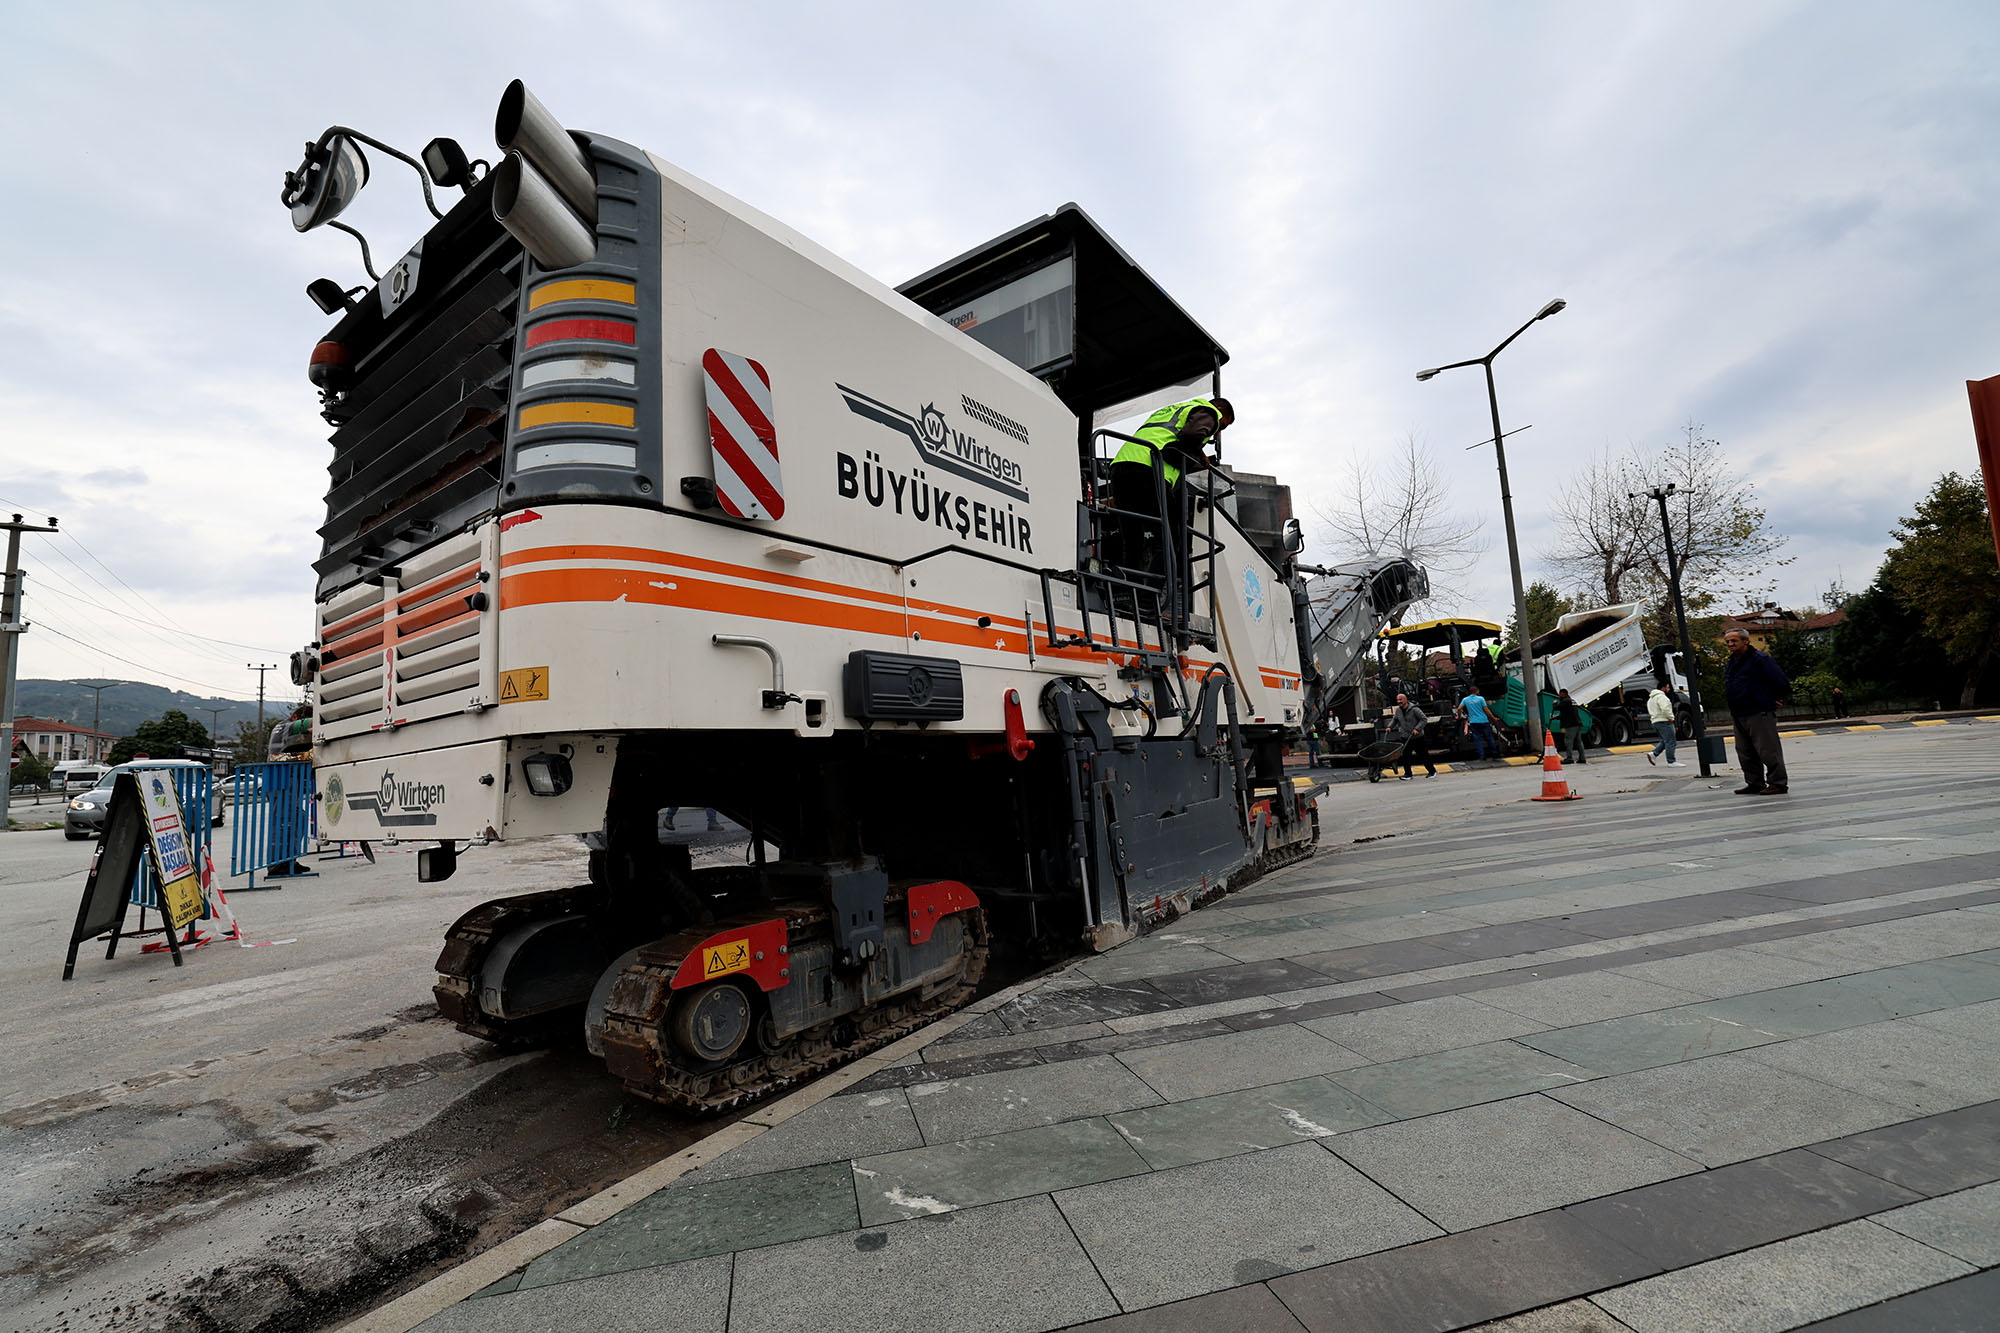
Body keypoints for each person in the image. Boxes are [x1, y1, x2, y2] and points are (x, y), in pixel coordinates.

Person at [1110, 397, 1232, 580]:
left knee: (1131, 535)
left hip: (1121, 466)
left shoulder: (1174, 409)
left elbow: (1172, 434)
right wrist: (1197, 455)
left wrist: (1199, 455)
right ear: (1221, 410)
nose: (1217, 431)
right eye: (1223, 426)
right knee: (1169, 537)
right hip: (1149, 468)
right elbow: (1190, 435)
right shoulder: (1211, 412)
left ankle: (1128, 591)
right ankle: (1152, 597)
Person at [1724, 628, 1791, 794]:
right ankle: (1755, 783)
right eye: (1728, 641)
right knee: (1745, 751)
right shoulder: (1731, 661)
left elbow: (1781, 682)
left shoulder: (1760, 659)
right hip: (1739, 712)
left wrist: (1775, 699)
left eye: (1734, 641)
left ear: (1746, 641)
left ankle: (1778, 783)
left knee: (1768, 750)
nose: (1730, 644)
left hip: (1759, 711)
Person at [1389, 692, 1435, 779]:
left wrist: (1417, 729)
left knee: (1423, 755)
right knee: (1406, 756)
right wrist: (1389, 727)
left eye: (1401, 699)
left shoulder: (1414, 709)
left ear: (1406, 700)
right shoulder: (1398, 710)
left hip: (1417, 737)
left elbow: (1424, 719)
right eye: (1398, 700)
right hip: (1405, 736)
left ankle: (1432, 771)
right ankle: (1408, 774)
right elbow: (1395, 720)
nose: (1399, 701)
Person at [1646, 685, 1682, 767]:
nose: (1669, 689)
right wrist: (1671, 717)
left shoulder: (1650, 699)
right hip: (1665, 721)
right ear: (1663, 688)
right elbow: (1665, 709)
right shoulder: (1661, 697)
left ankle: (1654, 754)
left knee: (1665, 740)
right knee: (1671, 741)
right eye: (1668, 687)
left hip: (1655, 722)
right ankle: (1671, 761)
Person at [1459, 688, 1496, 760]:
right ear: (1477, 691)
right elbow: (1486, 710)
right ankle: (1494, 754)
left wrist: (1458, 716)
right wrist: (1493, 718)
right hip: (1484, 721)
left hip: (1473, 722)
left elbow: (1459, 708)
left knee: (1477, 739)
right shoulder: (1481, 699)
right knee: (1489, 738)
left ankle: (1482, 756)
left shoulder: (1465, 699)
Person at [1556, 689, 1586, 764]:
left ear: (1563, 694)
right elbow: (1567, 713)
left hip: (1571, 725)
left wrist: (1555, 703)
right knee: (1578, 741)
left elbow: (1557, 708)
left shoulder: (1566, 701)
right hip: (1578, 724)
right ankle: (1582, 758)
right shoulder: (1572, 701)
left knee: (1568, 741)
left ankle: (1569, 758)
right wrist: (1555, 717)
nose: (1559, 695)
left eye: (1560, 694)